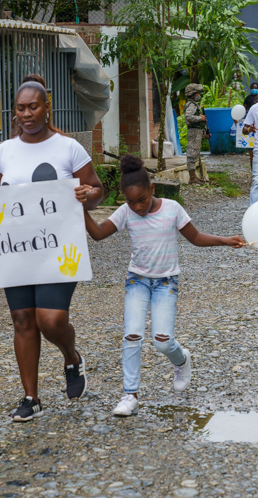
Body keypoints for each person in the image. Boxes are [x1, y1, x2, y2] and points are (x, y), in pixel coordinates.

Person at [0, 80, 103, 422]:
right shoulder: (3, 152)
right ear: (15, 112)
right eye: (21, 108)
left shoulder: (69, 149)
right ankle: (31, 397)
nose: (27, 114)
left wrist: (89, 193)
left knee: (51, 320)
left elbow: (97, 189)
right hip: (15, 253)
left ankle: (71, 358)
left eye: (34, 107)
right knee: (23, 320)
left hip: (59, 248)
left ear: (46, 108)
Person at [83, 155, 245, 416]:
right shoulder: (126, 212)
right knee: (132, 335)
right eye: (131, 201)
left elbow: (195, 237)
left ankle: (182, 360)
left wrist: (225, 240)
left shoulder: (172, 209)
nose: (136, 207)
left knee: (162, 341)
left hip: (166, 282)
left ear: (153, 189)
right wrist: (81, 209)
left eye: (142, 200)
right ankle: (130, 395)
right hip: (137, 279)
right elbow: (99, 234)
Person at [183, 83, 208, 184]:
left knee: (195, 153)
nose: (199, 95)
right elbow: (188, 117)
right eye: (197, 93)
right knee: (192, 153)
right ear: (193, 94)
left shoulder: (194, 104)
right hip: (193, 131)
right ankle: (192, 178)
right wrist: (200, 118)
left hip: (197, 131)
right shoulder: (191, 105)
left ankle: (194, 177)